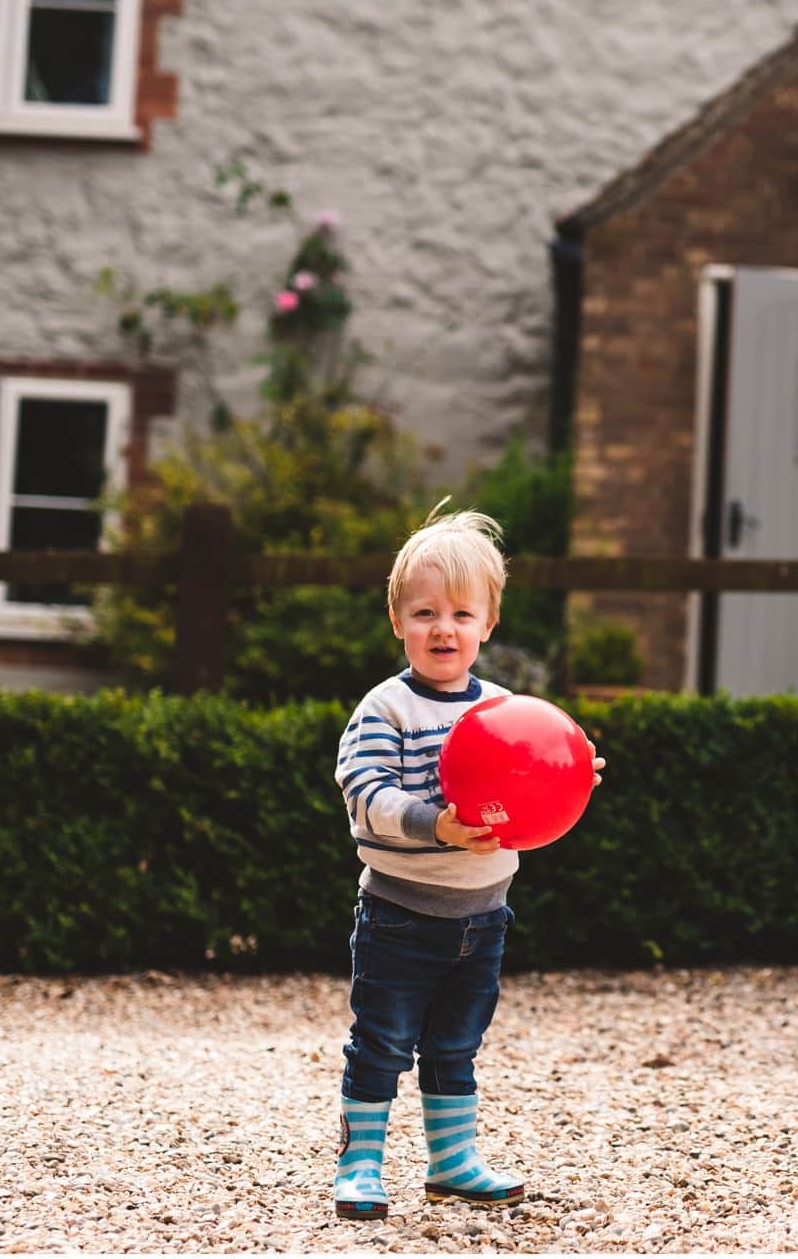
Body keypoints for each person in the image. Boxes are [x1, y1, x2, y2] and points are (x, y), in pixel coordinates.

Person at [331, 504, 603, 1220]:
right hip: (400, 911)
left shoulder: (509, 710)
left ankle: (452, 1162)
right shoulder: (386, 709)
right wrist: (437, 825)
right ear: (398, 623)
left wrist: (571, 772)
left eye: (460, 613)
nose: (442, 628)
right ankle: (360, 1165)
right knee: (383, 1040)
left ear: (488, 624)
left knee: (456, 1043)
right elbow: (366, 795)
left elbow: (537, 775)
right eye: (423, 613)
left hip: (483, 915)